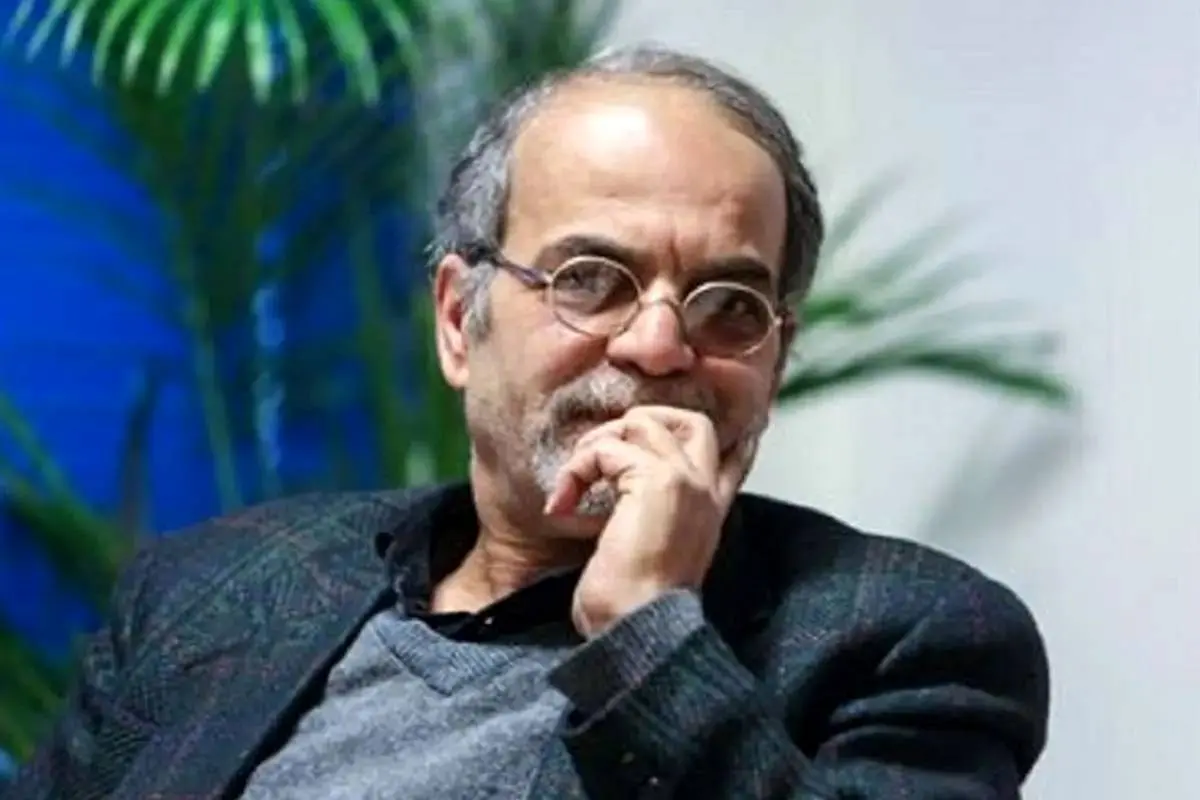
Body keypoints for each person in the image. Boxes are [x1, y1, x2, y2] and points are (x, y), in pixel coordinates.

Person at [6, 44, 1049, 799]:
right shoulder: (214, 584)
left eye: (730, 304)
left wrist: (647, 632)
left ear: (775, 357)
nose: (659, 346)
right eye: (591, 279)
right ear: (459, 320)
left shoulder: (903, 637)